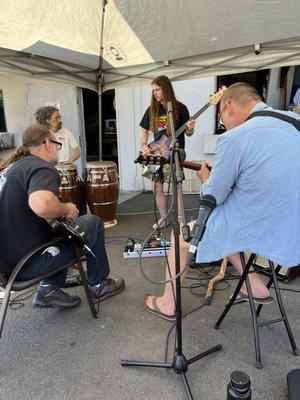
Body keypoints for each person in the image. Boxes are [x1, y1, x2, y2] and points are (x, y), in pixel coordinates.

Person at [145, 82, 300, 321]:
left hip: (261, 228)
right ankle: (254, 284)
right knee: (228, 218)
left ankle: (167, 303)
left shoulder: (234, 138)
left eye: (222, 120)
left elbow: (213, 197)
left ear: (228, 105)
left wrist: (207, 178)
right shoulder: (293, 121)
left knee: (181, 237)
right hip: (291, 229)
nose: (224, 126)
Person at [0, 124, 125, 309]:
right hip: (27, 264)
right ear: (48, 144)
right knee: (91, 223)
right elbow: (42, 205)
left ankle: (48, 289)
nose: (58, 149)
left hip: (7, 266)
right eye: (58, 145)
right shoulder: (41, 167)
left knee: (60, 230)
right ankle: (98, 285)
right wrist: (66, 209)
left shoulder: (10, 168)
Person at [139, 75, 195, 229]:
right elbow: (143, 131)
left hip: (173, 154)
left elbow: (188, 133)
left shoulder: (180, 108)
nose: (154, 93)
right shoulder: (152, 110)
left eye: (157, 89)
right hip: (156, 154)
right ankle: (164, 218)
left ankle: (181, 220)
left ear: (166, 88)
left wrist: (190, 128)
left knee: (176, 187)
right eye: (153, 90)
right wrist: (144, 145)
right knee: (157, 187)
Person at [35, 106, 87, 215]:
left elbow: (77, 151)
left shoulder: (66, 132)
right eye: (56, 117)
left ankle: (81, 216)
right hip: (49, 172)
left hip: (67, 172)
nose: (59, 120)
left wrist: (71, 159)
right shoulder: (41, 135)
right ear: (47, 120)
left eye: (60, 117)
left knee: (82, 187)